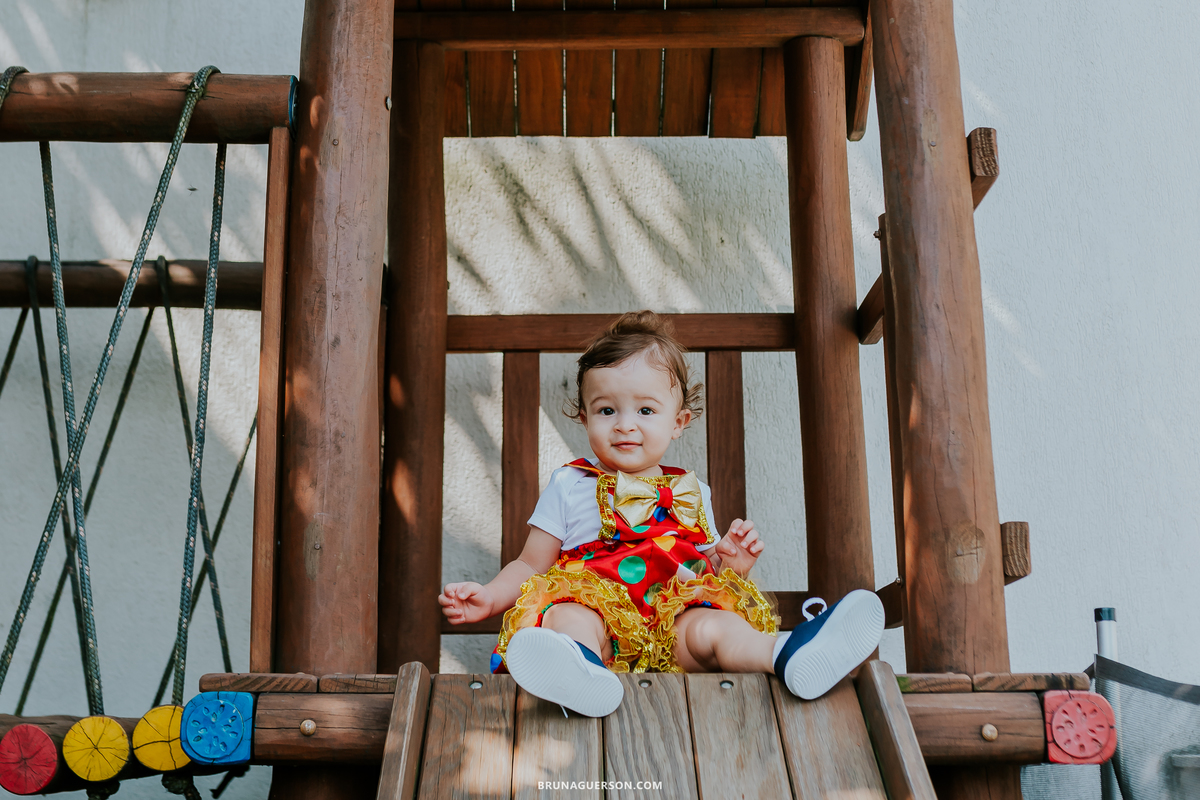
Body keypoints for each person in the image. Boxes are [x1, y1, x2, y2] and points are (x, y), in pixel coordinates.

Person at [439, 311, 884, 717]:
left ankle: (787, 653)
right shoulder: (570, 483)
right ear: (584, 417)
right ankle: (578, 674)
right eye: (606, 409)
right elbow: (530, 564)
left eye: (646, 410)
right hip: (601, 630)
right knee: (567, 618)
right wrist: (491, 598)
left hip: (674, 633)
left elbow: (704, 570)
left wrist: (732, 565)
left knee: (715, 624)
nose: (625, 423)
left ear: (678, 422)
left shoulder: (691, 492)